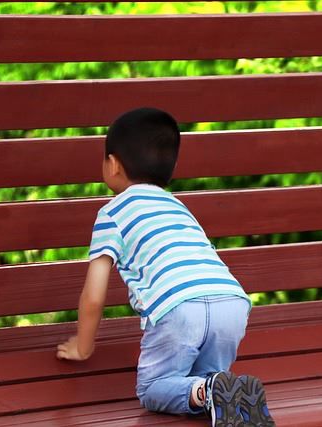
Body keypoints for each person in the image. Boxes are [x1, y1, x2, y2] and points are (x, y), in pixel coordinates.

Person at [56, 107, 275, 426]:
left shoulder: (112, 214)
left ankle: (211, 391)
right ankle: (216, 391)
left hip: (178, 308)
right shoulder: (178, 206)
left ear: (113, 165)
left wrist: (83, 347)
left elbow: (93, 296)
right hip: (231, 302)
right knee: (208, 379)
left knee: (152, 389)